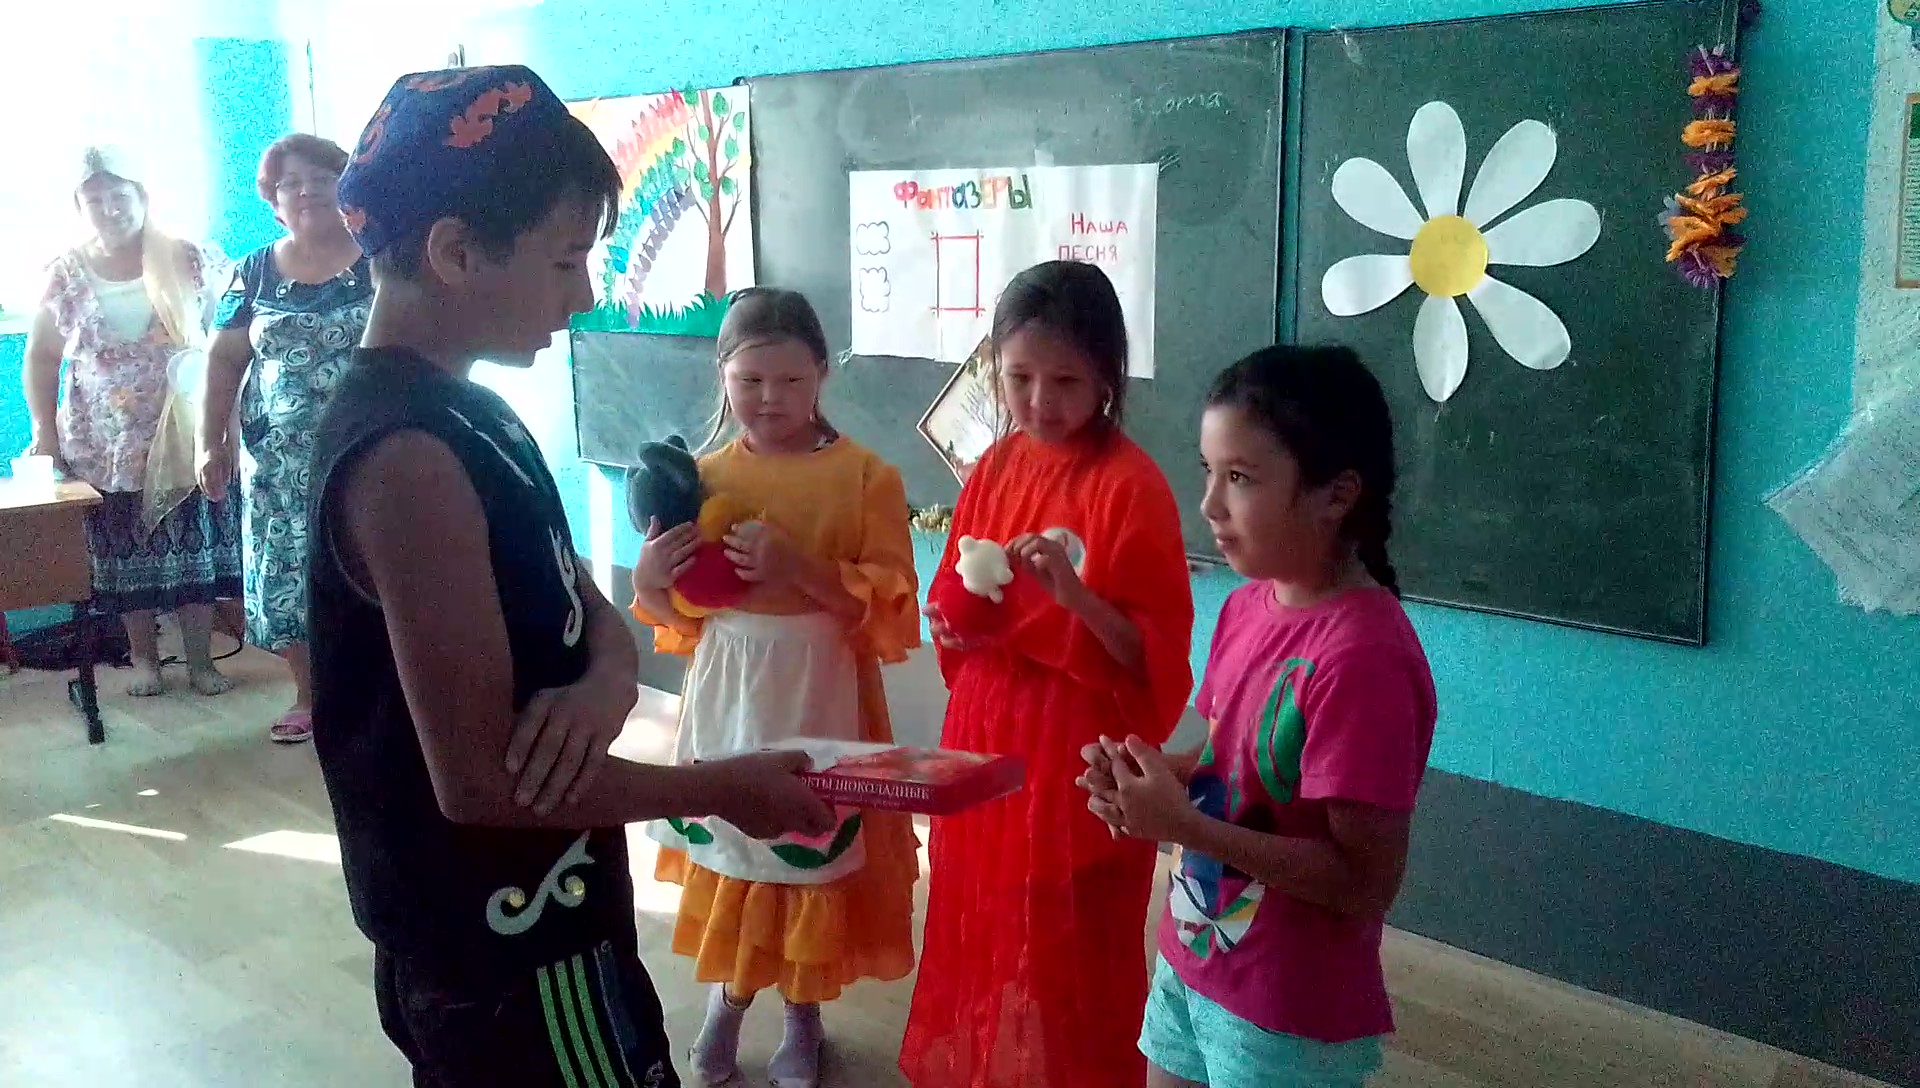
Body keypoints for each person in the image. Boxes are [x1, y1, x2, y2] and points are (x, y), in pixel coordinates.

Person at [309, 65, 833, 1088]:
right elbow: (478, 782)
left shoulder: (476, 413)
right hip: (503, 951)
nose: (586, 294)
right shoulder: (407, 459)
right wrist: (720, 787)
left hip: (557, 907)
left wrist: (606, 677)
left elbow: (584, 601)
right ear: (456, 252)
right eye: (564, 261)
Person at [1080, 345, 1438, 1088]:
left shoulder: (1362, 657)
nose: (1209, 504)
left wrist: (1183, 826)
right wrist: (1148, 778)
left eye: (1239, 478)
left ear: (1336, 495)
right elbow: (1223, 763)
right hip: (1192, 958)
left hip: (1286, 1006)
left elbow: (1362, 881)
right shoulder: (1247, 605)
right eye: (1208, 471)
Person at [901, 261, 1196, 1088]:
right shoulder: (996, 466)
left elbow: (1153, 656)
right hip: (987, 729)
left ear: (1107, 376)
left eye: (1065, 381)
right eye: (1019, 377)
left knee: (1071, 945)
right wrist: (948, 618)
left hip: (1077, 750)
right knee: (983, 921)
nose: (1039, 401)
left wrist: (1074, 598)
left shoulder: (1130, 486)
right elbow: (959, 589)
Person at [631, 287, 922, 1088]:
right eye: (750, 380)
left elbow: (890, 606)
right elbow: (682, 618)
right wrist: (651, 581)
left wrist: (801, 569)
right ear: (722, 374)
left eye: (791, 380)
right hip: (729, 693)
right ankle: (727, 1000)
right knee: (734, 847)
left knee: (806, 847)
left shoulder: (865, 477)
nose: (770, 398)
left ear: (823, 373)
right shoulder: (700, 476)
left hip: (821, 692)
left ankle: (803, 1014)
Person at [20, 145, 240, 697]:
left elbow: (223, 342)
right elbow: (42, 358)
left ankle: (201, 660)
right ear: (79, 207)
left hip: (184, 430)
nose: (109, 209)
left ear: (141, 196)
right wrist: (44, 432)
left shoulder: (188, 258)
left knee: (193, 548)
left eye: (119, 196)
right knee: (124, 551)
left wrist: (226, 424)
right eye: (94, 199)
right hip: (104, 441)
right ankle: (144, 660)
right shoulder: (65, 273)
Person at [200, 133, 371, 744]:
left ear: (346, 186)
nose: (305, 192)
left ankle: (384, 690)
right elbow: (223, 361)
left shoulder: (382, 259)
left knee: (374, 564)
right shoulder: (251, 272)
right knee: (289, 572)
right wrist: (210, 443)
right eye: (289, 184)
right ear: (273, 201)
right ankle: (309, 694)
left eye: (321, 179)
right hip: (278, 461)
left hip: (372, 454)